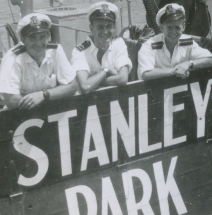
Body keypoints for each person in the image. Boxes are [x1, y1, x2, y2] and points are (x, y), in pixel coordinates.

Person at [0, 13, 77, 109]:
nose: (38, 43)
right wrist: (39, 103)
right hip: (18, 114)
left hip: (49, 108)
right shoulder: (13, 57)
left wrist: (43, 95)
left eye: (42, 37)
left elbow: (73, 86)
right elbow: (11, 100)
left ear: (48, 36)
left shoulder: (56, 50)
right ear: (23, 40)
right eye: (32, 38)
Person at [137, 3, 212, 80]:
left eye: (177, 28)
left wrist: (188, 64)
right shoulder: (150, 45)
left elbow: (210, 59)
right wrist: (174, 71)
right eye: (169, 28)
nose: (173, 32)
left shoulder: (188, 42)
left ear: (183, 27)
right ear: (162, 28)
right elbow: (145, 73)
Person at [71, 1, 132, 94]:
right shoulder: (79, 51)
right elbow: (85, 86)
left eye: (109, 26)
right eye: (100, 27)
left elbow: (123, 78)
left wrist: (94, 81)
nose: (105, 31)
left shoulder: (118, 43)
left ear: (114, 27)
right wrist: (106, 71)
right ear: (91, 28)